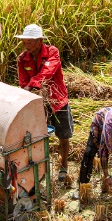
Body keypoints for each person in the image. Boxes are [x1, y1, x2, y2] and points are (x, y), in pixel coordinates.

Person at [15, 24, 73, 182]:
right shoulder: (22, 59)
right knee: (38, 137)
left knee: (63, 135)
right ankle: (41, 170)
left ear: (40, 41)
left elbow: (47, 73)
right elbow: (23, 82)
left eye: (29, 42)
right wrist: (27, 89)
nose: (26, 45)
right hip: (37, 105)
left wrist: (31, 85)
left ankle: (64, 166)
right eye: (24, 42)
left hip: (57, 100)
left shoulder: (52, 52)